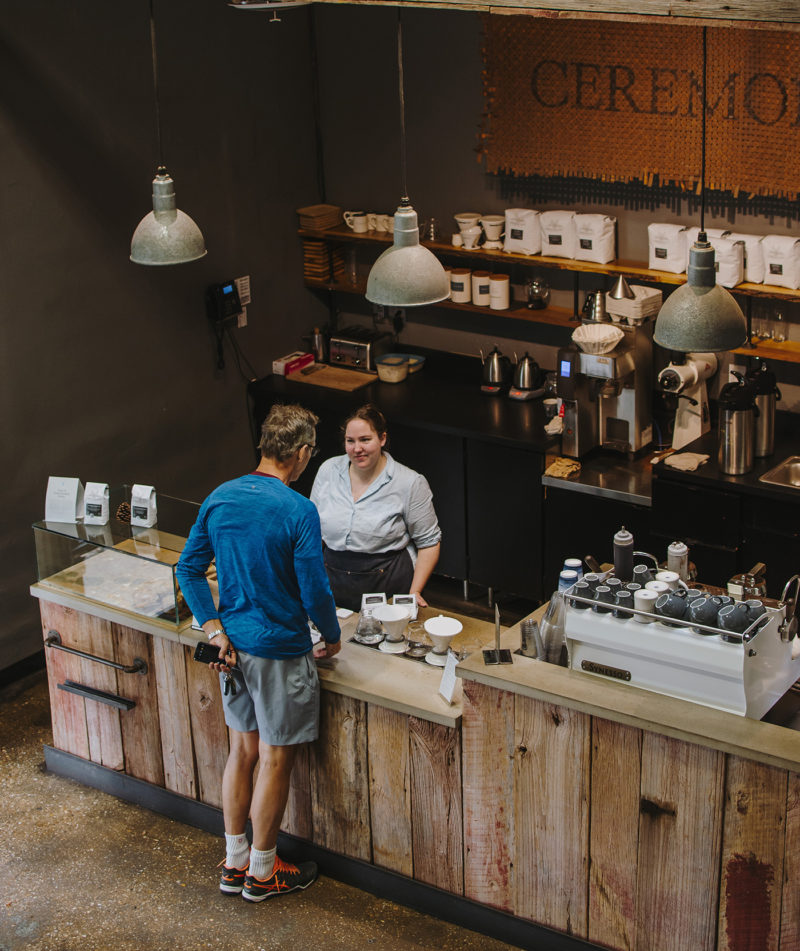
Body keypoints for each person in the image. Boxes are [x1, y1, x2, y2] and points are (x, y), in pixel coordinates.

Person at [175, 403, 341, 903]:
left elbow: (187, 569)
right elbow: (314, 590)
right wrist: (331, 636)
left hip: (233, 648)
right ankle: (265, 872)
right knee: (273, 758)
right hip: (279, 650)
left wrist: (214, 629)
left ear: (264, 447)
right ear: (304, 453)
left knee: (241, 751)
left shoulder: (221, 496)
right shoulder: (297, 509)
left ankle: (235, 862)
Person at [310, 403, 442, 611]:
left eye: (365, 440)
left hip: (388, 581)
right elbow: (313, 532)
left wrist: (414, 592)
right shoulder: (328, 470)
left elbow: (429, 543)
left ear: (382, 439)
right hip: (333, 578)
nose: (357, 449)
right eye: (350, 441)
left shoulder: (409, 482)